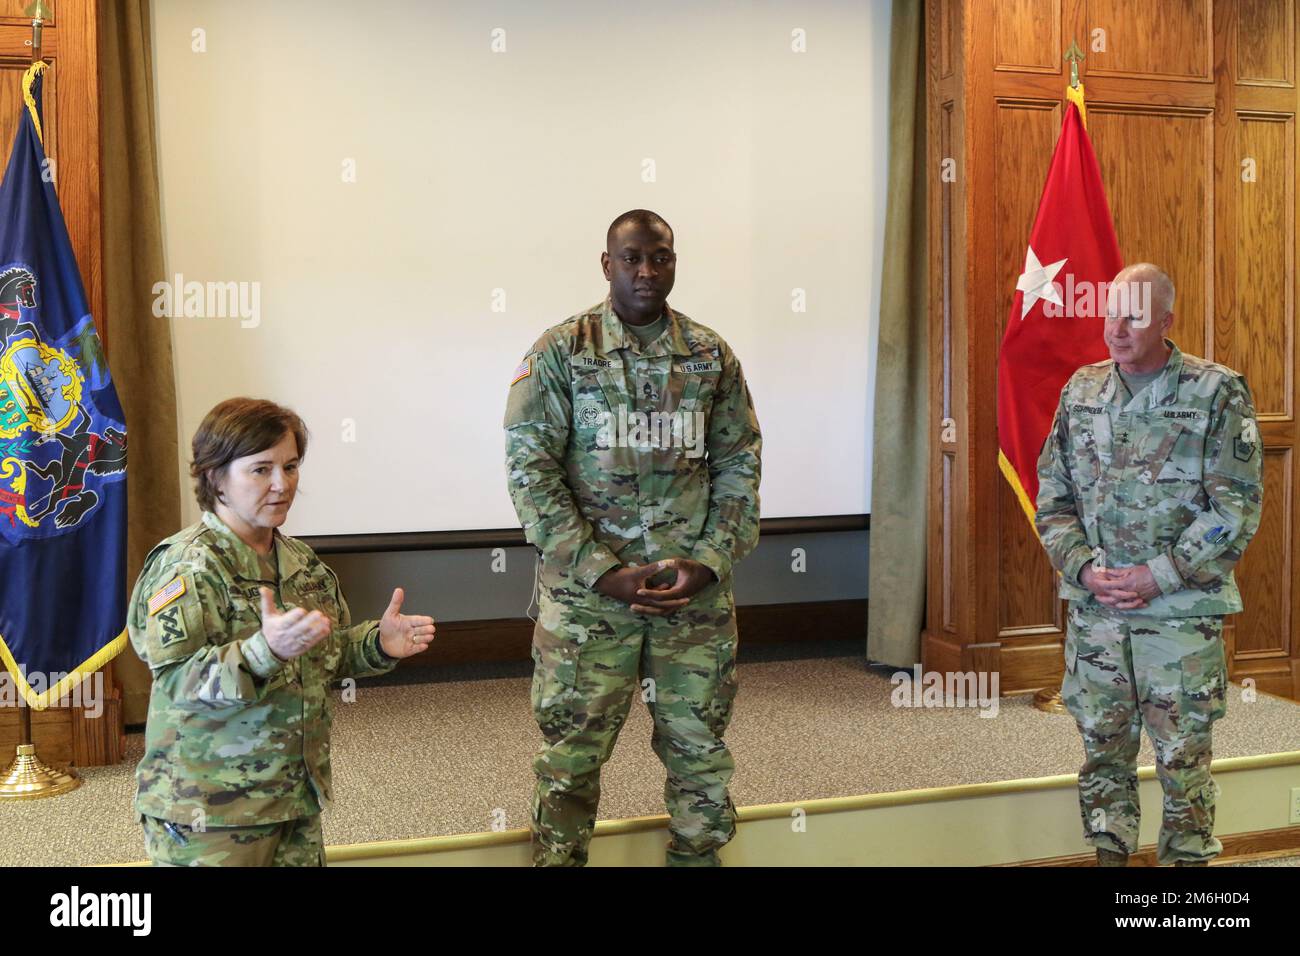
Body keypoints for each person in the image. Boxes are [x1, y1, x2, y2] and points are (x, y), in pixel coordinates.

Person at [503, 209, 762, 866]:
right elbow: (531, 473)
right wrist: (601, 570)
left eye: (661, 258)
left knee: (701, 760)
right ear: (607, 264)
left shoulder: (710, 356)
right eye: (632, 259)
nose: (647, 272)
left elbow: (739, 462)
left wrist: (707, 561)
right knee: (569, 764)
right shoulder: (562, 351)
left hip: (692, 604)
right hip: (590, 606)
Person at [128, 397, 436, 866]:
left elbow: (320, 658)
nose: (282, 484)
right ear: (216, 478)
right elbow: (176, 684)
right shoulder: (187, 567)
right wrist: (260, 652)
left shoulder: (301, 564)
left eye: (290, 467)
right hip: (211, 814)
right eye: (261, 469)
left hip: (295, 799)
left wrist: (376, 643)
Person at [1035, 263, 1263, 866]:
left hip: (1178, 617)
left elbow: (1233, 508)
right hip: (1098, 614)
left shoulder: (1215, 392)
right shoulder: (1081, 391)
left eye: (1133, 315)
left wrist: (1158, 574)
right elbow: (1053, 498)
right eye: (1111, 312)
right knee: (1103, 756)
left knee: (1183, 759)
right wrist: (1082, 568)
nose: (1117, 327)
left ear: (1166, 319)